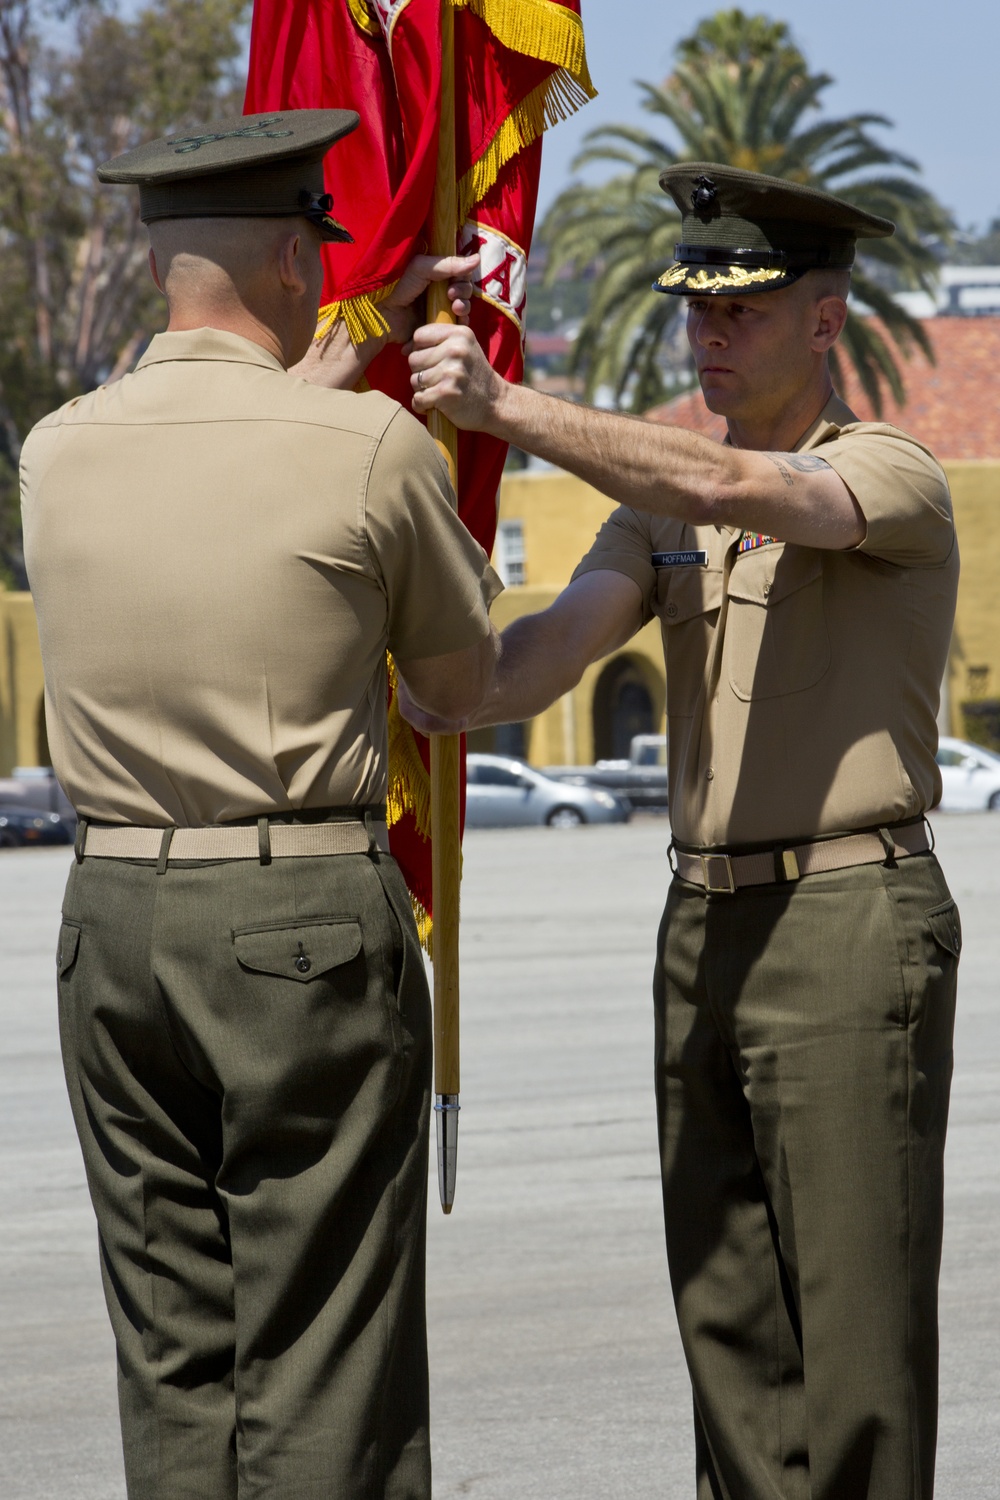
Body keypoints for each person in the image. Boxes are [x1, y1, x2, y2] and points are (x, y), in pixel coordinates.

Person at [402, 163, 961, 1500]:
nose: (706, 335)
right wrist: (409, 632)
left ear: (827, 322)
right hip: (702, 920)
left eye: (741, 312)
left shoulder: (886, 475)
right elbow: (526, 667)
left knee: (855, 1336)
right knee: (726, 1325)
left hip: (845, 926)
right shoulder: (657, 511)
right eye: (693, 314)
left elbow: (737, 489)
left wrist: (510, 407)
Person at [21, 109, 500, 1499]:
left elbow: (226, 454)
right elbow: (454, 690)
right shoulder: (366, 449)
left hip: (108, 917)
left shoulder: (56, 451)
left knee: (175, 1345)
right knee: (324, 1341)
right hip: (298, 924)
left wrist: (340, 360)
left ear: (165, 266)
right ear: (300, 257)